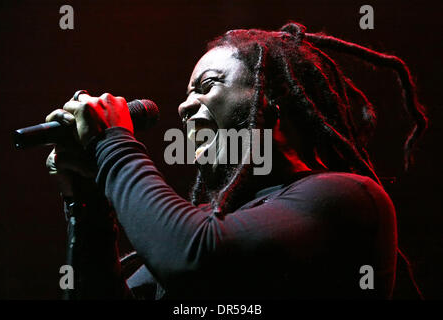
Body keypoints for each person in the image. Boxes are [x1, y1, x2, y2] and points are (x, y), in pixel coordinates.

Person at [45, 22, 427, 299]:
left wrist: (113, 142)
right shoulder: (213, 223)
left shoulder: (345, 198)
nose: (184, 105)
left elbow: (195, 258)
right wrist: (87, 203)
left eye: (207, 86)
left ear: (272, 101)